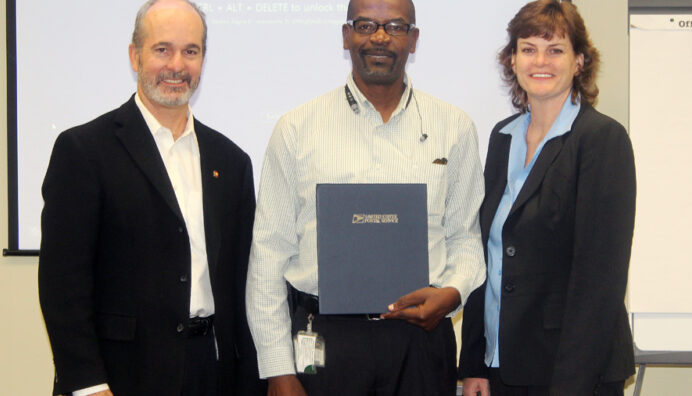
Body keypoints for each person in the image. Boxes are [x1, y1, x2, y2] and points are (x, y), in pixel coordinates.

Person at [245, 0, 486, 395]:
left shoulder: (454, 128)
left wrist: (453, 292)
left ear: (413, 39)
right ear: (345, 35)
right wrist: (278, 369)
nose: (379, 37)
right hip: (325, 343)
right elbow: (269, 255)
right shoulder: (296, 129)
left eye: (394, 26)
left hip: (421, 343)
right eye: (365, 25)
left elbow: (465, 238)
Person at [38, 1, 264, 395]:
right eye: (163, 49)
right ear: (135, 55)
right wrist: (89, 385)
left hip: (210, 373)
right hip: (120, 377)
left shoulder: (232, 162)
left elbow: (243, 285)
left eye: (190, 51)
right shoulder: (84, 150)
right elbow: (62, 286)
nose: (177, 65)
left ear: (203, 60)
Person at [458, 1, 636, 395]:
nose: (541, 60)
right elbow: (484, 252)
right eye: (528, 48)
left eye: (555, 49)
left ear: (579, 61)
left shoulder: (601, 139)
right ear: (512, 60)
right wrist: (474, 363)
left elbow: (599, 281)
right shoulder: (502, 137)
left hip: (571, 372)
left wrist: (570, 385)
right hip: (502, 366)